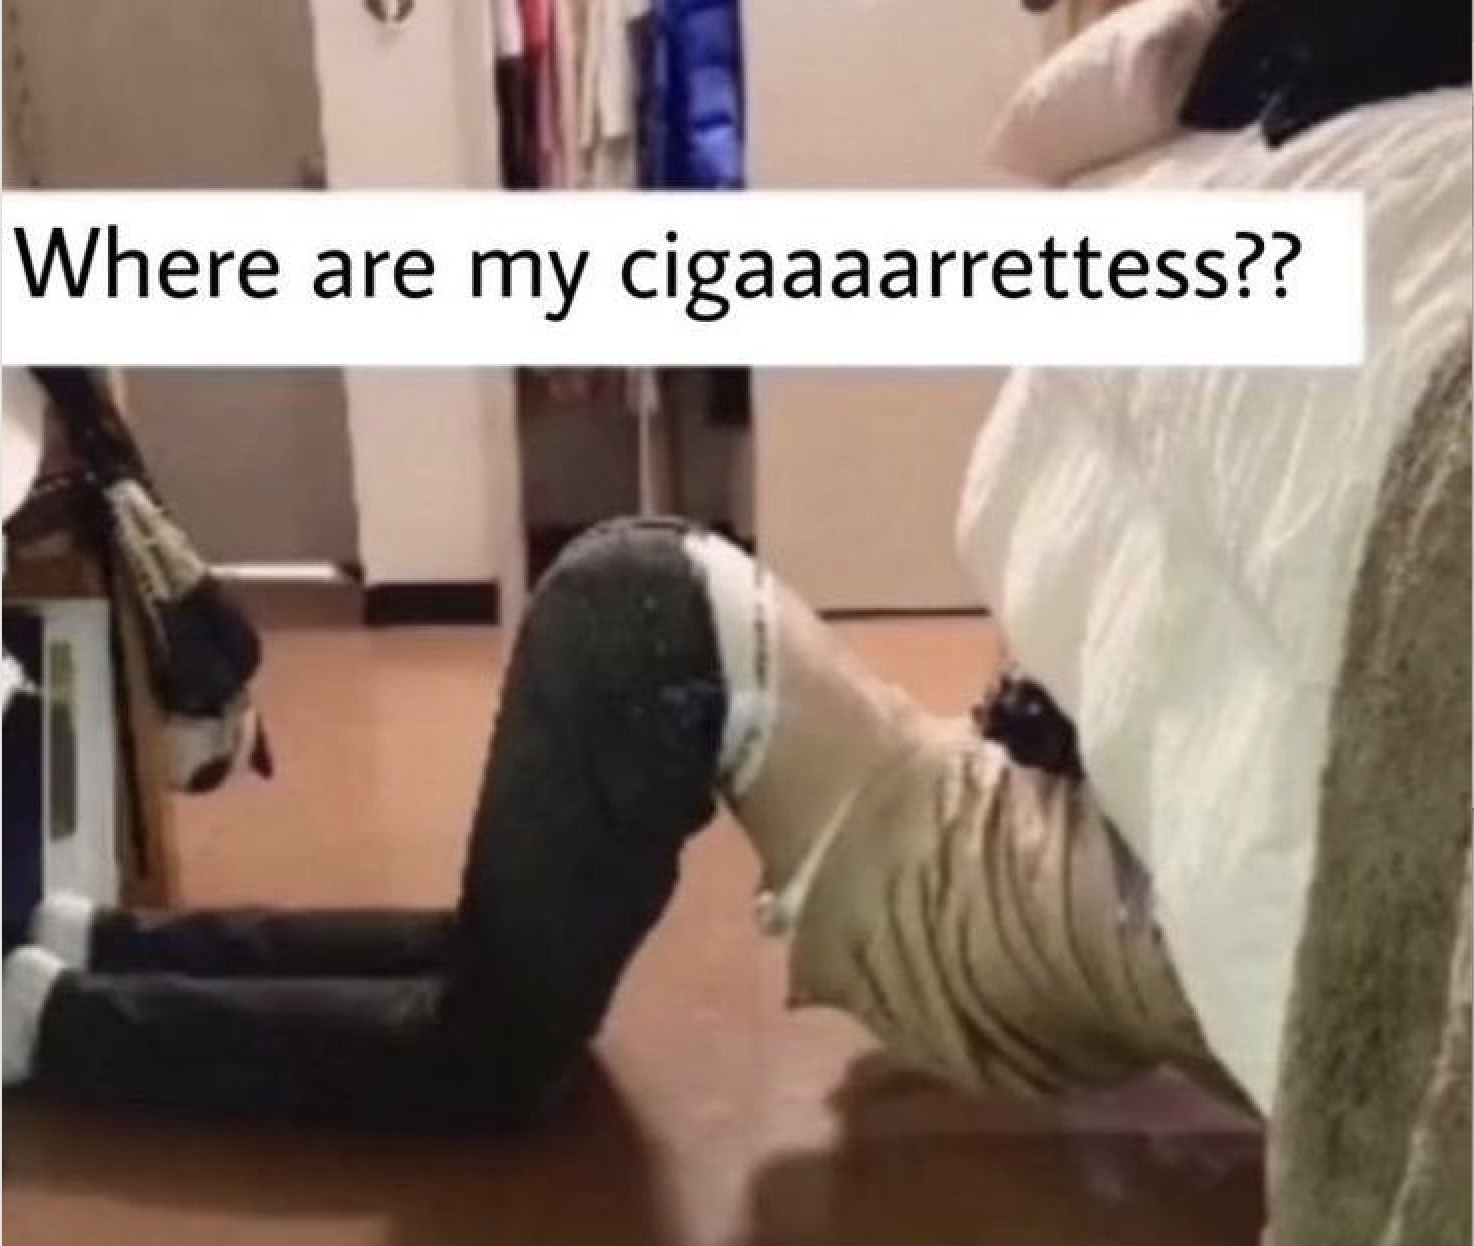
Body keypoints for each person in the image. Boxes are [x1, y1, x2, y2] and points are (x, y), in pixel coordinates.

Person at [2, 515, 1236, 1130]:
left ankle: (89, 944)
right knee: (491, 1054)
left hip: (663, 604)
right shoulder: (1222, 940)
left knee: (481, 963)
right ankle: (51, 1024)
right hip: (660, 647)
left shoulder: (1177, 848)